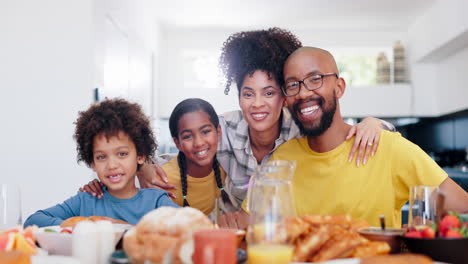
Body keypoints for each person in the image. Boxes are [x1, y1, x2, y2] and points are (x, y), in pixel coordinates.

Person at [81, 28, 392, 228]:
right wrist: (144, 168)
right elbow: (169, 157)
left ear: (284, 96)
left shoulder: (301, 129)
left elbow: (352, 137)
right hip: (233, 236)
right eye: (248, 93)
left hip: (286, 238)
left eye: (269, 92)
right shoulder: (223, 128)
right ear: (238, 96)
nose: (257, 104)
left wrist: (373, 122)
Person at [269, 46, 468, 227]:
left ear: (339, 87)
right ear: (286, 98)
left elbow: (463, 209)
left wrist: (418, 235)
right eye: (293, 84)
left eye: (315, 79)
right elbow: (255, 227)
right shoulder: (282, 159)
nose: (303, 93)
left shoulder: (388, 147)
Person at [24, 99, 178, 227]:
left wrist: (125, 228)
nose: (111, 165)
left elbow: (192, 228)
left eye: (122, 154)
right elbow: (33, 221)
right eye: (101, 157)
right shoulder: (86, 200)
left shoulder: (156, 201)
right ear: (92, 162)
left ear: (140, 156)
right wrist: (85, 225)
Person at [163, 98, 230, 215]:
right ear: (177, 143)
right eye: (187, 136)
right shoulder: (163, 180)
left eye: (205, 132)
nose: (199, 143)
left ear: (218, 132)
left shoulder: (229, 167)